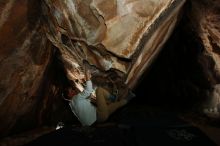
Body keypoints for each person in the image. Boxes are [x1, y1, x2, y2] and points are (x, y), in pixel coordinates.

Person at [63, 67, 135, 126]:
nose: (73, 90)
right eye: (71, 91)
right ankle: (113, 97)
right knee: (99, 90)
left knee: (115, 105)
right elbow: (89, 89)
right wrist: (87, 75)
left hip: (98, 121)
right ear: (69, 95)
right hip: (99, 115)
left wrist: (91, 99)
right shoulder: (76, 98)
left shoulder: (72, 105)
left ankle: (130, 96)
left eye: (72, 89)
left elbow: (88, 105)